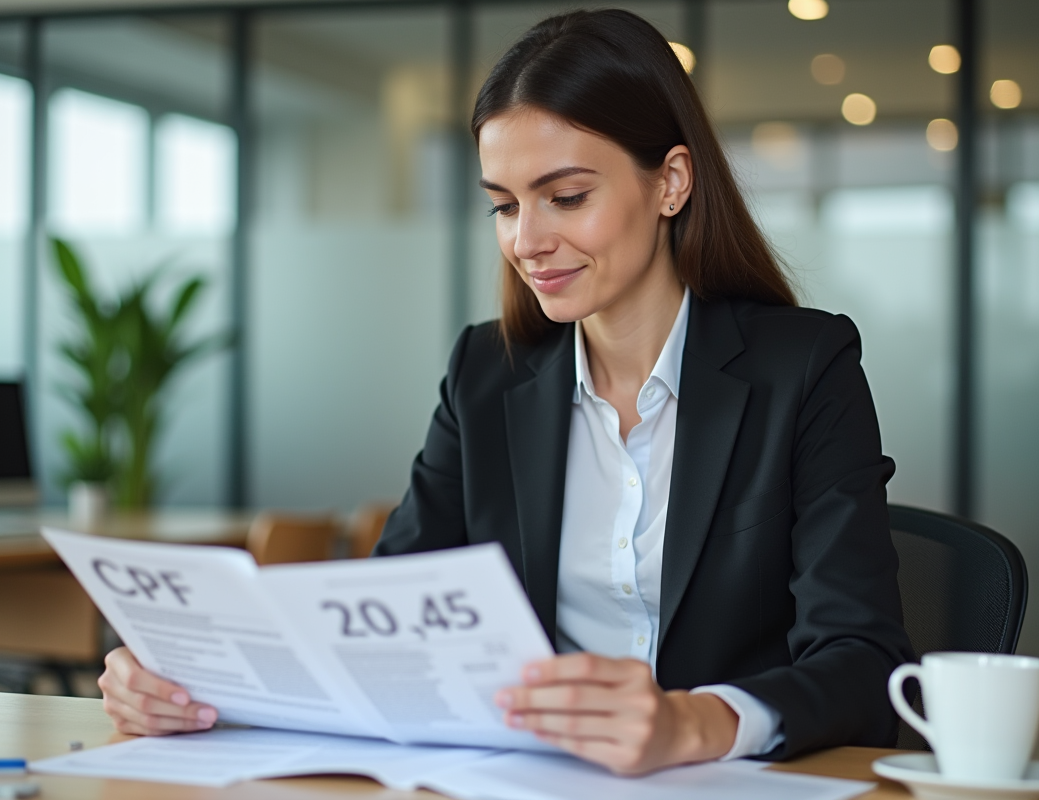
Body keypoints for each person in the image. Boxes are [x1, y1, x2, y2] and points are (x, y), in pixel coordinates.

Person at [97, 8, 914, 777]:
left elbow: (864, 660)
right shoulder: (486, 375)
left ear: (671, 182)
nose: (527, 241)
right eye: (504, 205)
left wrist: (692, 722)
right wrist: (194, 680)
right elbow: (380, 621)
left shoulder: (805, 368)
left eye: (567, 197)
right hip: (524, 780)